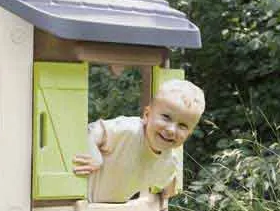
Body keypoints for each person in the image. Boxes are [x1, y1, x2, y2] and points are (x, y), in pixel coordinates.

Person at [71, 78, 205, 203]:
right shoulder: (128, 130)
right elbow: (93, 129)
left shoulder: (168, 161)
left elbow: (166, 187)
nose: (171, 130)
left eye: (182, 126)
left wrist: (168, 191)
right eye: (166, 117)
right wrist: (95, 156)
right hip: (76, 197)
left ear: (188, 134)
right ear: (147, 115)